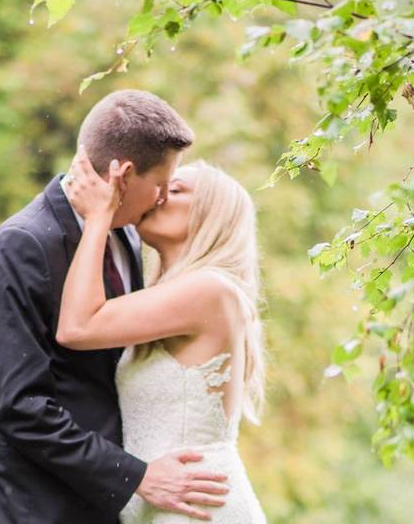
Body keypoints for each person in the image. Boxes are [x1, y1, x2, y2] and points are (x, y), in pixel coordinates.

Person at [0, 89, 230, 524]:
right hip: (33, 508)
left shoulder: (125, 236)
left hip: (106, 510)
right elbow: (18, 406)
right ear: (123, 175)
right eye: (161, 185)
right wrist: (135, 477)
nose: (162, 198)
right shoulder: (21, 246)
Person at [57, 147, 267, 523]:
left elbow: (77, 327)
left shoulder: (210, 291)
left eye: (177, 189)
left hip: (198, 510)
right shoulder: (170, 297)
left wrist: (98, 217)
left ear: (212, 216)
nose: (159, 195)